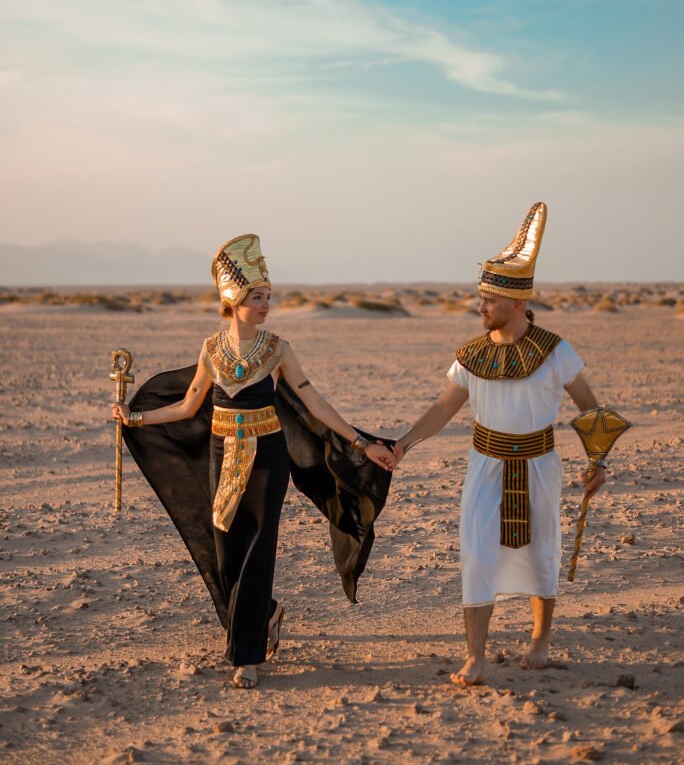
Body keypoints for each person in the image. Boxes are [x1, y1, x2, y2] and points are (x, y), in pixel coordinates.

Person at [112, 233, 394, 689]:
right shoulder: (211, 350)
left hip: (268, 457)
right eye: (258, 297)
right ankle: (266, 614)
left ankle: (248, 656)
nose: (267, 304)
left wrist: (361, 443)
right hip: (223, 455)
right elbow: (187, 407)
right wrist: (136, 417)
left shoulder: (278, 348)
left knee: (258, 551)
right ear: (234, 300)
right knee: (227, 553)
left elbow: (314, 402)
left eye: (268, 297)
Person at [393, 203, 628, 686]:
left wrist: (597, 461)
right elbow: (442, 409)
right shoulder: (472, 354)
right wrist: (404, 443)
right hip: (485, 465)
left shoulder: (554, 350)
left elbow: (589, 406)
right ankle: (475, 656)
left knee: (542, 550)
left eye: (488, 300)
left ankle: (540, 640)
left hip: (539, 463)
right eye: (480, 298)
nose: (480, 307)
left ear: (516, 303)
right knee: (478, 555)